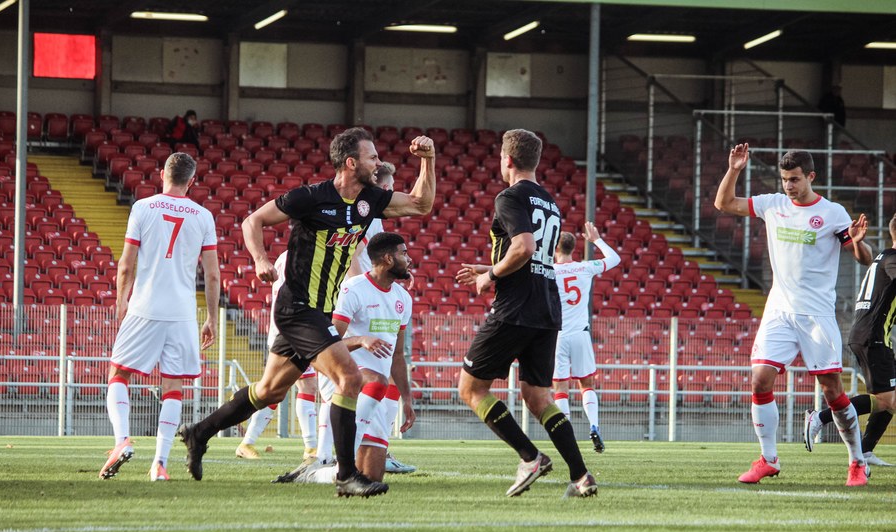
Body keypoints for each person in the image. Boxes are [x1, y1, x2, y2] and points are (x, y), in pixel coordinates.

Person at [178, 127, 435, 498]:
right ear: (351, 163)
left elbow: (421, 204)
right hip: (298, 308)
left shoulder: (369, 201)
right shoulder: (311, 198)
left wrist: (428, 160)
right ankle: (346, 475)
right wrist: (260, 259)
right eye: (372, 157)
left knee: (269, 390)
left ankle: (199, 432)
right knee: (349, 376)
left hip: (318, 311)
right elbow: (252, 221)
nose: (378, 162)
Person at [714, 144, 872, 486]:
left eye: (795, 179)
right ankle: (768, 459)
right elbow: (724, 203)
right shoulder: (773, 204)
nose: (789, 186)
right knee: (760, 379)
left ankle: (857, 462)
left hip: (817, 316)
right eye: (785, 179)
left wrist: (859, 242)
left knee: (832, 390)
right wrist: (734, 169)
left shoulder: (832, 213)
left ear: (811, 177)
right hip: (779, 311)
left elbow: (863, 258)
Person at [455, 128, 598, 499]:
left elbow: (523, 248)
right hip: (547, 308)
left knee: (471, 388)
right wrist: (488, 266)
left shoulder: (510, 196)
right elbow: (534, 259)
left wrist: (489, 276)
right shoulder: (550, 202)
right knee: (538, 396)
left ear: (507, 160)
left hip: (516, 307)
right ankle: (582, 476)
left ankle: (530, 457)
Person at [99, 152, 220, 482]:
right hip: (182, 314)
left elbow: (126, 264)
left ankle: (122, 440)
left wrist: (122, 300)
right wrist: (211, 318)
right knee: (173, 387)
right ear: (191, 182)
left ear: (162, 174)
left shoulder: (143, 208)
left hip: (145, 306)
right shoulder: (203, 216)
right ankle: (160, 464)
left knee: (118, 373)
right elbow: (212, 275)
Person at [276, 232, 416, 485]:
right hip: (347, 378)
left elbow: (397, 356)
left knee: (372, 476)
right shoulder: (353, 289)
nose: (409, 259)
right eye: (404, 253)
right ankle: (342, 459)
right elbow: (330, 342)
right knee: (376, 381)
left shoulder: (403, 298)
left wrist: (406, 399)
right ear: (388, 259)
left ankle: (316, 474)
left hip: (376, 393)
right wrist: (361, 340)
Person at [803, 213, 896, 466]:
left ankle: (865, 451)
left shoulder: (884, 257)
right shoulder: (892, 259)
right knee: (887, 400)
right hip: (873, 337)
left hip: (871, 335)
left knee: (890, 397)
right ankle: (819, 418)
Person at [344, 161, 417, 474]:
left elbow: (398, 355)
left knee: (388, 371)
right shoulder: (367, 220)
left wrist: (393, 281)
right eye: (391, 191)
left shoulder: (377, 223)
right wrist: (362, 289)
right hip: (357, 316)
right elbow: (349, 253)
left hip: (377, 300)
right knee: (370, 380)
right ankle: (333, 456)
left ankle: (362, 456)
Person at [235, 250, 318, 462]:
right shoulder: (302, 257)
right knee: (301, 387)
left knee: (277, 390)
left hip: (288, 330)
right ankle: (310, 447)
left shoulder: (285, 257)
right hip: (292, 332)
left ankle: (248, 442)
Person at [552, 223, 621, 453]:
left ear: (555, 248)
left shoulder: (549, 271)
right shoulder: (585, 267)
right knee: (587, 384)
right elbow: (615, 259)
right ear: (574, 249)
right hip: (580, 334)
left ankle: (566, 434)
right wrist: (597, 240)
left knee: (560, 387)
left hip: (558, 335)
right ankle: (594, 426)